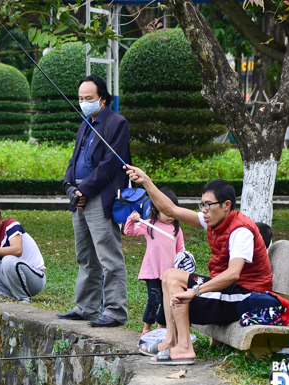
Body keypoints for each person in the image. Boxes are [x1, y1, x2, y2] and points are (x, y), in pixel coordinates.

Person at [126, 165, 273, 365]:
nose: (203, 210)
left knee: (175, 278)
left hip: (246, 296)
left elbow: (232, 275)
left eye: (208, 205)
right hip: (229, 293)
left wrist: (194, 292)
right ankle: (171, 340)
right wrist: (145, 181)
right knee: (169, 274)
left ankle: (185, 348)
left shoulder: (241, 231)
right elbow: (171, 210)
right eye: (201, 204)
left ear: (226, 205)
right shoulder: (214, 220)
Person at [57, 75, 132, 327]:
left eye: (88, 98)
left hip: (100, 197)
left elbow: (111, 164)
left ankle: (115, 311)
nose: (83, 102)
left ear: (103, 99)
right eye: (80, 98)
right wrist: (69, 187)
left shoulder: (116, 123)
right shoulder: (84, 124)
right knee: (85, 256)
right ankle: (86, 307)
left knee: (108, 256)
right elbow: (74, 159)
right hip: (79, 196)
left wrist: (85, 190)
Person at [123, 188, 189, 336]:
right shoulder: (148, 225)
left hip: (170, 274)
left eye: (172, 211)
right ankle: (146, 329)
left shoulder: (176, 230)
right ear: (155, 209)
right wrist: (131, 219)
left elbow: (181, 251)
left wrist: (184, 264)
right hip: (152, 272)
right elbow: (129, 231)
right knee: (154, 300)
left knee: (168, 302)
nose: (169, 216)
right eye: (165, 211)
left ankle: (161, 329)